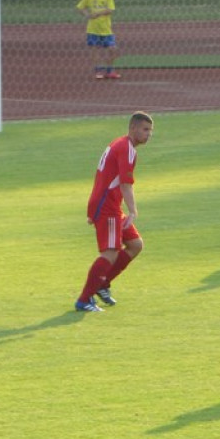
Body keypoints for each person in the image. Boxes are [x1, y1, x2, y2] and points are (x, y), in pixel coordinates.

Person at [75, 111, 154, 312]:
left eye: (150, 131)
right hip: (107, 206)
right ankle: (84, 300)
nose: (149, 134)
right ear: (133, 128)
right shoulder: (126, 149)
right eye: (145, 129)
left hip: (107, 204)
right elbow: (126, 184)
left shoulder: (119, 144)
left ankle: (102, 283)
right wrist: (133, 211)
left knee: (135, 244)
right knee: (110, 252)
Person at [76, 0, 121, 80]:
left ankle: (109, 70)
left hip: (106, 29)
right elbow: (80, 7)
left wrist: (98, 13)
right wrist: (87, 14)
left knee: (113, 49)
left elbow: (110, 9)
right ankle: (98, 70)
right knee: (95, 50)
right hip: (93, 29)